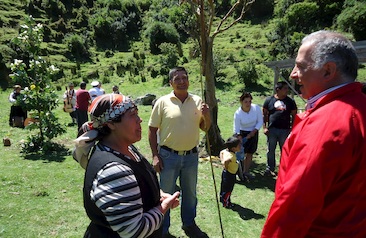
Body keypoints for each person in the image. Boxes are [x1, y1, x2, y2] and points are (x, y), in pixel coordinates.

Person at [261, 30, 366, 237]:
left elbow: (295, 205)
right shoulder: (359, 109)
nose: (293, 74)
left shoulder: (327, 123)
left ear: (328, 71)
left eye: (300, 66)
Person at [73, 94, 180, 238]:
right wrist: (163, 207)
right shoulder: (113, 170)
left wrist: (157, 195)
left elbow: (139, 182)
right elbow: (134, 231)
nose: (140, 119)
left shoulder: (126, 149)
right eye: (133, 115)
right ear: (111, 124)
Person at [148, 66, 211, 238]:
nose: (182, 81)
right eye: (177, 79)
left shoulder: (198, 101)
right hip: (168, 156)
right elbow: (152, 130)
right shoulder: (162, 102)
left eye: (185, 77)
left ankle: (189, 224)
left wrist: (207, 115)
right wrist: (155, 155)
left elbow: (205, 128)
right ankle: (163, 229)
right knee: (165, 195)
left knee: (190, 193)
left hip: (191, 156)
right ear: (171, 83)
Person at [262, 81, 297, 176]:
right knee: (270, 150)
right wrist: (264, 127)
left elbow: (294, 115)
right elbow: (264, 114)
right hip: (272, 130)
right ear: (278, 89)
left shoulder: (290, 102)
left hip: (285, 130)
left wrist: (292, 128)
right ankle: (270, 169)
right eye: (285, 88)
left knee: (285, 150)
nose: (287, 90)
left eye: (287, 88)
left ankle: (284, 169)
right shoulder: (269, 100)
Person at [233, 92, 263, 181]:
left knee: (250, 152)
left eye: (249, 101)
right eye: (246, 102)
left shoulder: (256, 108)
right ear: (241, 102)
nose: (248, 104)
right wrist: (239, 136)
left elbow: (260, 121)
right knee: (240, 153)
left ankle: (246, 171)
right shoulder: (238, 113)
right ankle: (238, 171)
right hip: (242, 133)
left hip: (253, 132)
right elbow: (236, 127)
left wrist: (254, 131)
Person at [219, 135, 242, 208]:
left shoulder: (226, 151)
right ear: (233, 148)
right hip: (230, 174)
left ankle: (222, 199)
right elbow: (226, 161)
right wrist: (225, 165)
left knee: (224, 187)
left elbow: (221, 152)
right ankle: (227, 203)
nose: (240, 146)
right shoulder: (231, 156)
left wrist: (222, 161)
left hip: (226, 173)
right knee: (228, 189)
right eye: (239, 145)